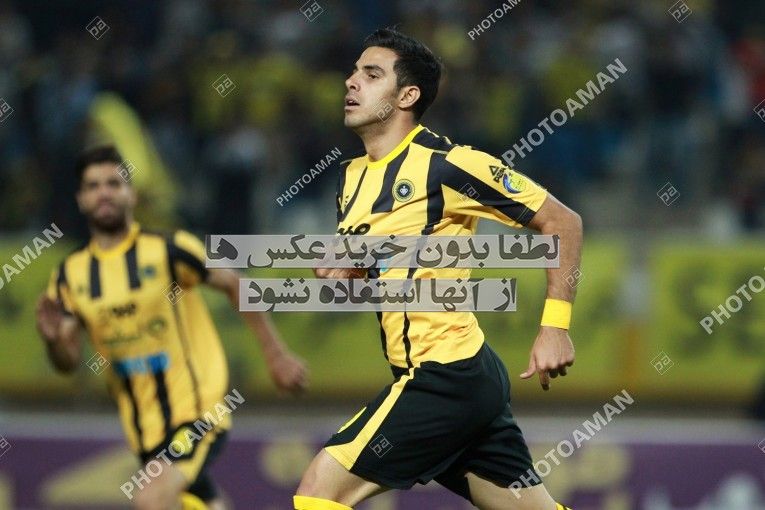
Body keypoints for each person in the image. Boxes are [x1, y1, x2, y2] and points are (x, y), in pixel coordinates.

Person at [294, 29, 581, 510]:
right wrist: (352, 272)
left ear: (407, 96)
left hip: (446, 374)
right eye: (354, 71)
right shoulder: (349, 177)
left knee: (318, 492)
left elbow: (563, 222)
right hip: (458, 378)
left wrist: (555, 327)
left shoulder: (450, 165)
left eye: (371, 74)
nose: (351, 82)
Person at [36, 145, 308, 510]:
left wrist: (275, 354)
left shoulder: (169, 248)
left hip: (197, 411)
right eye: (93, 186)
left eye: (114, 183)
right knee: (200, 503)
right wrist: (53, 340)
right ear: (80, 199)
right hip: (144, 429)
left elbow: (235, 283)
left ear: (132, 194)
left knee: (151, 498)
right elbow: (67, 362)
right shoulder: (70, 275)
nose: (104, 193)